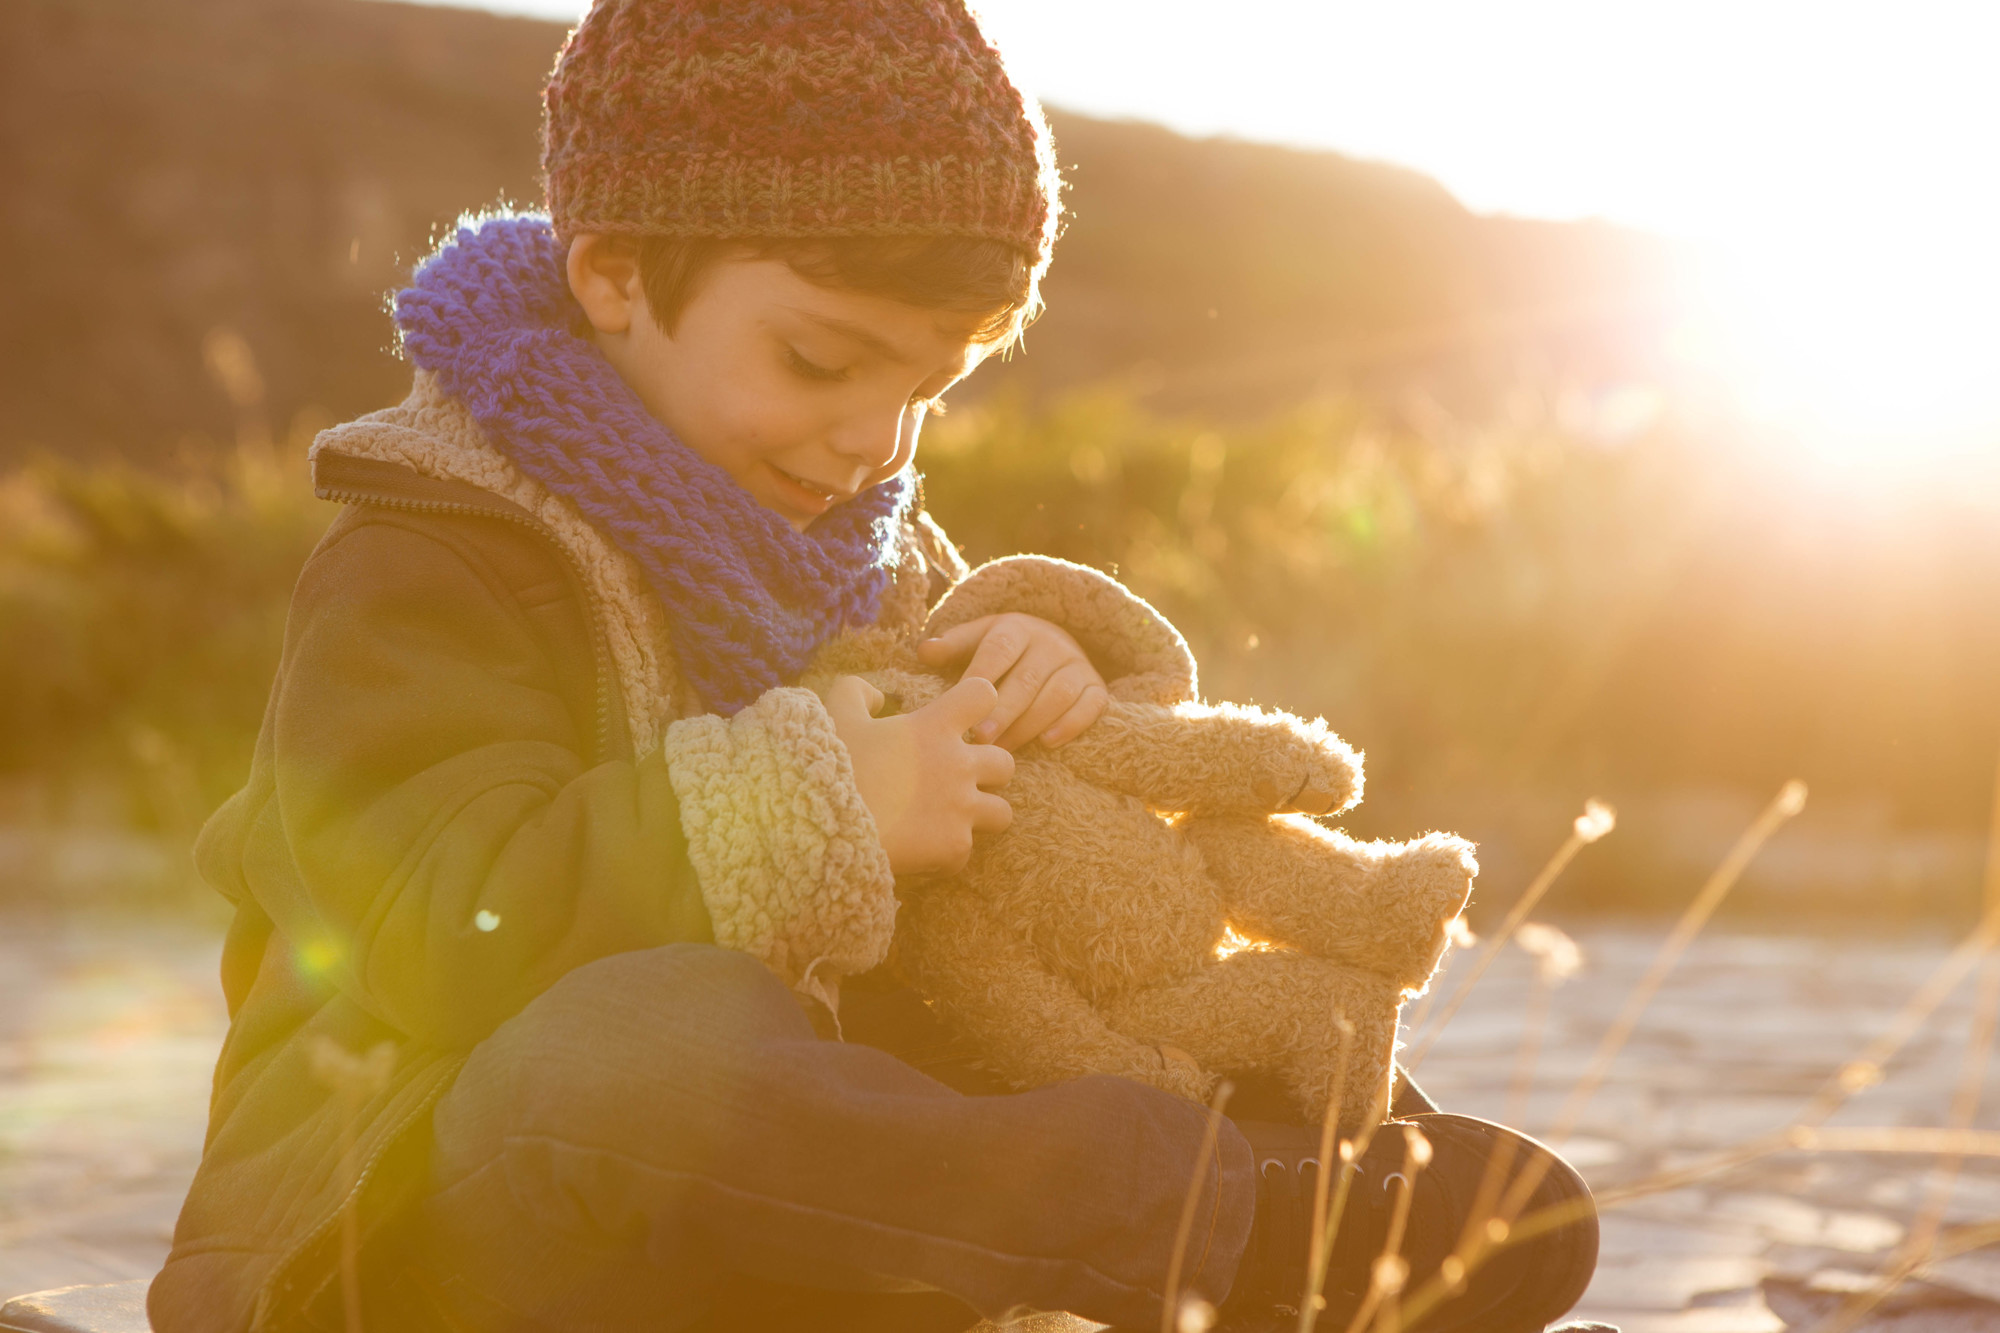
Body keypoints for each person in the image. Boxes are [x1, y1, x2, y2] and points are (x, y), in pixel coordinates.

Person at [151, 3, 1609, 1330]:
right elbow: (435, 928)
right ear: (611, 271)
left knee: (1074, 996)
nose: (874, 441)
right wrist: (812, 805)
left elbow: (1013, 889)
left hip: (763, 1238)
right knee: (645, 1043)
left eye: (926, 388)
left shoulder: (857, 547)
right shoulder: (436, 549)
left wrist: (1039, 684)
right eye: (819, 359)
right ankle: (1218, 1230)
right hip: (407, 1232)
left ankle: (1319, 1190)